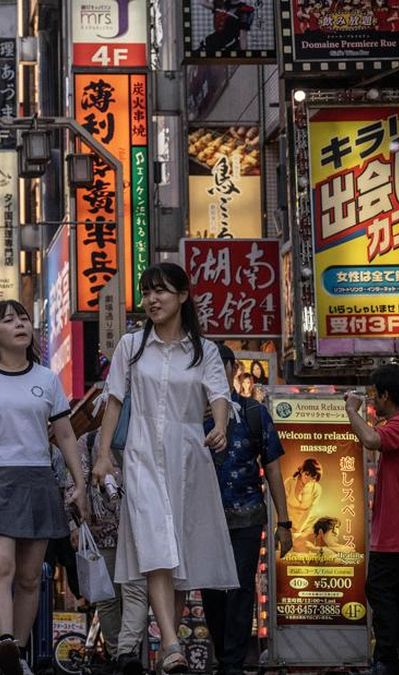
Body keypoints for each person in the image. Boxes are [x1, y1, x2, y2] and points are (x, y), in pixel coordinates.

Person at [91, 263, 237, 674]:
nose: (152, 299)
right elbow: (114, 400)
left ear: (184, 296)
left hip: (188, 454)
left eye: (162, 291)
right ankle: (171, 643)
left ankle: (166, 653)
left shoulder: (204, 350)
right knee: (155, 546)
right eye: (147, 292)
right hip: (139, 454)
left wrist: (221, 426)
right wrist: (103, 455)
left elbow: (219, 393)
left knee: (177, 556)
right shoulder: (131, 345)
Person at [0, 301, 87, 675]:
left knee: (31, 576)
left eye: (24, 319)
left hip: (37, 480)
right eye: (9, 320)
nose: (20, 324)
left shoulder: (47, 379)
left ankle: (15, 653)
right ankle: (4, 644)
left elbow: (64, 433)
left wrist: (78, 481)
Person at [199, 344, 292, 675]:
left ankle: (232, 664)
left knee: (240, 588)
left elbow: (275, 470)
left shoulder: (254, 413)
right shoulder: (193, 416)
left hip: (247, 517)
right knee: (210, 588)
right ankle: (225, 654)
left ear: (231, 369)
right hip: (204, 520)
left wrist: (285, 522)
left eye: (218, 367)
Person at [346, 364, 399, 675]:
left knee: (379, 589)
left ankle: (386, 657)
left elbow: (370, 439)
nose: (373, 402)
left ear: (388, 394)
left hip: (395, 529)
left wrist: (351, 411)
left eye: (375, 395)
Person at [62, 428, 150, 673]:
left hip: (137, 531)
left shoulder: (141, 433)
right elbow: (72, 483)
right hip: (101, 533)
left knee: (135, 591)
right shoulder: (88, 441)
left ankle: (126, 651)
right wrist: (75, 524)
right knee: (107, 597)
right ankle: (117, 655)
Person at [284, 459, 323, 534]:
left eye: (313, 478)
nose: (309, 479)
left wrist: (298, 532)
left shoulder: (317, 489)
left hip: (308, 527)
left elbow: (310, 512)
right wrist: (285, 527)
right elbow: (282, 507)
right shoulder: (289, 483)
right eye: (307, 475)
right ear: (301, 471)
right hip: (289, 525)